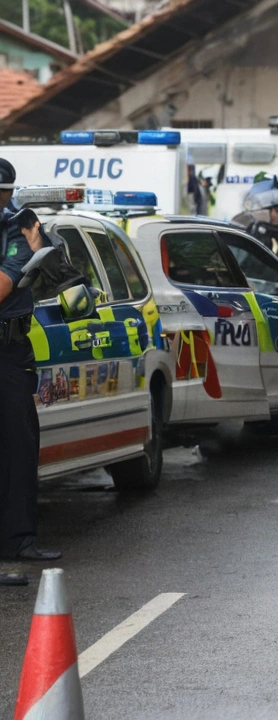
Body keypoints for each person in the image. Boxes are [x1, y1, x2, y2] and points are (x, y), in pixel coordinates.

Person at [0, 158, 61, 587]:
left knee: (18, 446)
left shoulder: (18, 229)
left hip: (9, 348)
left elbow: (4, 286)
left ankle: (18, 540)